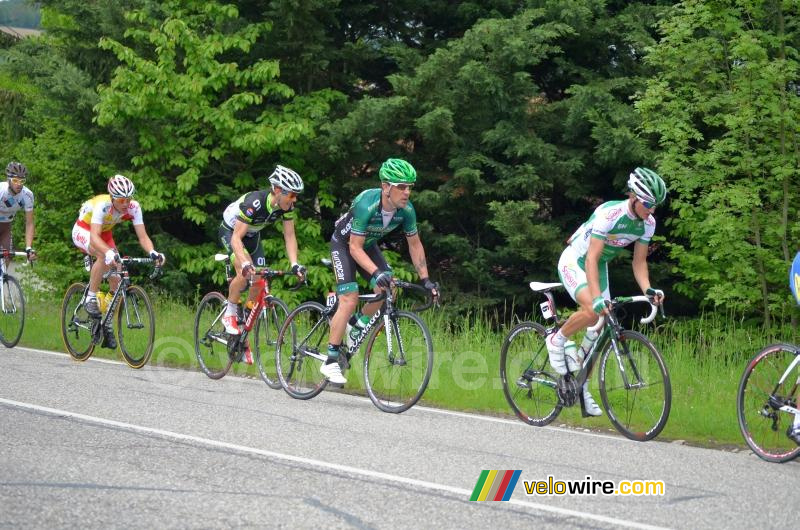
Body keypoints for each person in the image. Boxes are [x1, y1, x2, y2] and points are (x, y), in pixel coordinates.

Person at [547, 167, 667, 417]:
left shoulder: (648, 223)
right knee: (593, 310)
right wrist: (599, 298)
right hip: (576, 261)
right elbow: (590, 258)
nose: (651, 211)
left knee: (602, 326)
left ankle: (581, 386)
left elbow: (639, 263)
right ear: (633, 197)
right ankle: (557, 339)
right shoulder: (610, 214)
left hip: (599, 266)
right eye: (648, 204)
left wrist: (648, 289)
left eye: (656, 205)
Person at [320, 158, 439, 384]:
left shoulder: (407, 211)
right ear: (386, 187)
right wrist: (376, 272)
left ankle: (356, 325)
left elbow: (415, 244)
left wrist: (426, 280)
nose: (407, 193)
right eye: (401, 187)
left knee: (389, 288)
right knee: (349, 298)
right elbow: (353, 247)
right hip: (344, 245)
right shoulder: (368, 204)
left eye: (410, 187)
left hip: (366, 245)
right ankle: (331, 361)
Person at [218, 165, 307, 364]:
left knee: (259, 278)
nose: (294, 200)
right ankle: (230, 312)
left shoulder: (287, 207)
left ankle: (245, 321)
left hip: (252, 235)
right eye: (292, 195)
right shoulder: (255, 202)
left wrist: (295, 264)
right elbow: (236, 239)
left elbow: (290, 235)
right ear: (277, 190)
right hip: (231, 232)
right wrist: (244, 263)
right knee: (245, 270)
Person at [71, 174, 165, 348]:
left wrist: (153, 252)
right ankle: (90, 298)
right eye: (122, 200)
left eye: (129, 198)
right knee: (103, 256)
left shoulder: (134, 208)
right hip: (84, 230)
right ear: (113, 198)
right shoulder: (102, 205)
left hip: (104, 234)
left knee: (117, 275)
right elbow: (94, 237)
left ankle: (105, 322)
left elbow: (143, 237)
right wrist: (107, 253)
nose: (126, 203)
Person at [0, 161, 36, 263]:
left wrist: (28, 247)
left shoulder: (27, 195)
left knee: (7, 259)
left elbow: (29, 223)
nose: (19, 184)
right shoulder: (1, 190)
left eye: (22, 181)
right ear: (9, 180)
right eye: (15, 180)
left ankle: (4, 279)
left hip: (6, 228)